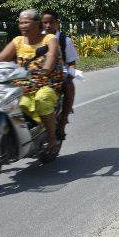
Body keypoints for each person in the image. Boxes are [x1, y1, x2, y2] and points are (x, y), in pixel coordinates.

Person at [0, 9, 63, 154]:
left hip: (46, 82)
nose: (22, 25)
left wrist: (47, 68)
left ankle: (51, 137)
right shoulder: (17, 41)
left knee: (42, 100)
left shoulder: (49, 39)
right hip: (22, 83)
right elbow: (1, 57)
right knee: (2, 100)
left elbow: (52, 54)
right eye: (21, 22)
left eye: (26, 22)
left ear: (37, 24)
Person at [42, 10, 78, 141]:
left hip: (58, 74)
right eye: (44, 22)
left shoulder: (64, 40)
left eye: (51, 22)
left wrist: (70, 73)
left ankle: (62, 123)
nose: (47, 25)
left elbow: (72, 62)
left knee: (69, 86)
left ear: (57, 23)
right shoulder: (38, 38)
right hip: (38, 73)